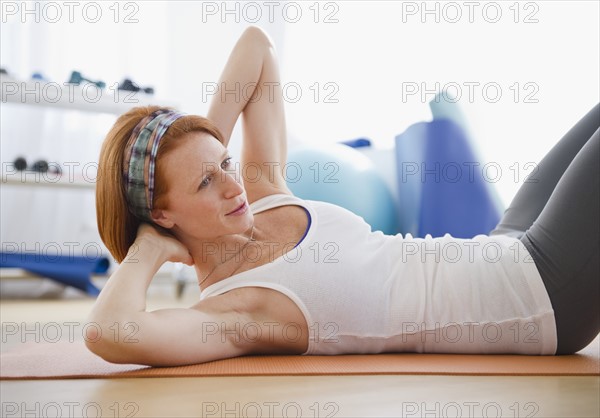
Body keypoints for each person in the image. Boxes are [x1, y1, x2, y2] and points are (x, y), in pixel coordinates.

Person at [87, 26, 599, 367]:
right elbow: (109, 333)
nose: (232, 183)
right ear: (162, 213)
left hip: (504, 246)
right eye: (205, 183)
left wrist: (204, 144)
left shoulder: (261, 194)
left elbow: (257, 47)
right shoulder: (235, 312)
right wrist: (149, 247)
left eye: (224, 164)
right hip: (540, 296)